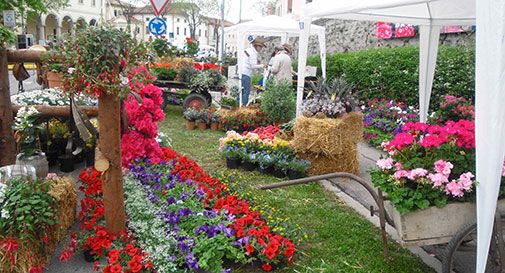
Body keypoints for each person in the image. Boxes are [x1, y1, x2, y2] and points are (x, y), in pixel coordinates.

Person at [241, 37, 266, 106]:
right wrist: (262, 65)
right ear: (256, 46)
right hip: (246, 73)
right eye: (260, 47)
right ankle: (244, 107)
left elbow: (248, 61)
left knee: (241, 91)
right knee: (246, 91)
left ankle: (238, 105)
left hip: (242, 71)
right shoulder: (253, 53)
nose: (261, 49)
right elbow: (253, 66)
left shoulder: (248, 50)